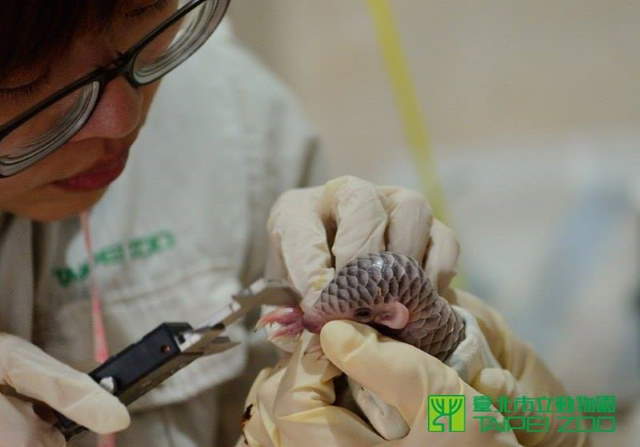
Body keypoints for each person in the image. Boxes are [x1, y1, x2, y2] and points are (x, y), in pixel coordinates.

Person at [0, 1, 588, 446]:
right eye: (25, 81)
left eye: (145, 19)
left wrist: (559, 422)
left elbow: (564, 414)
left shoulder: (237, 121)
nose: (120, 121)